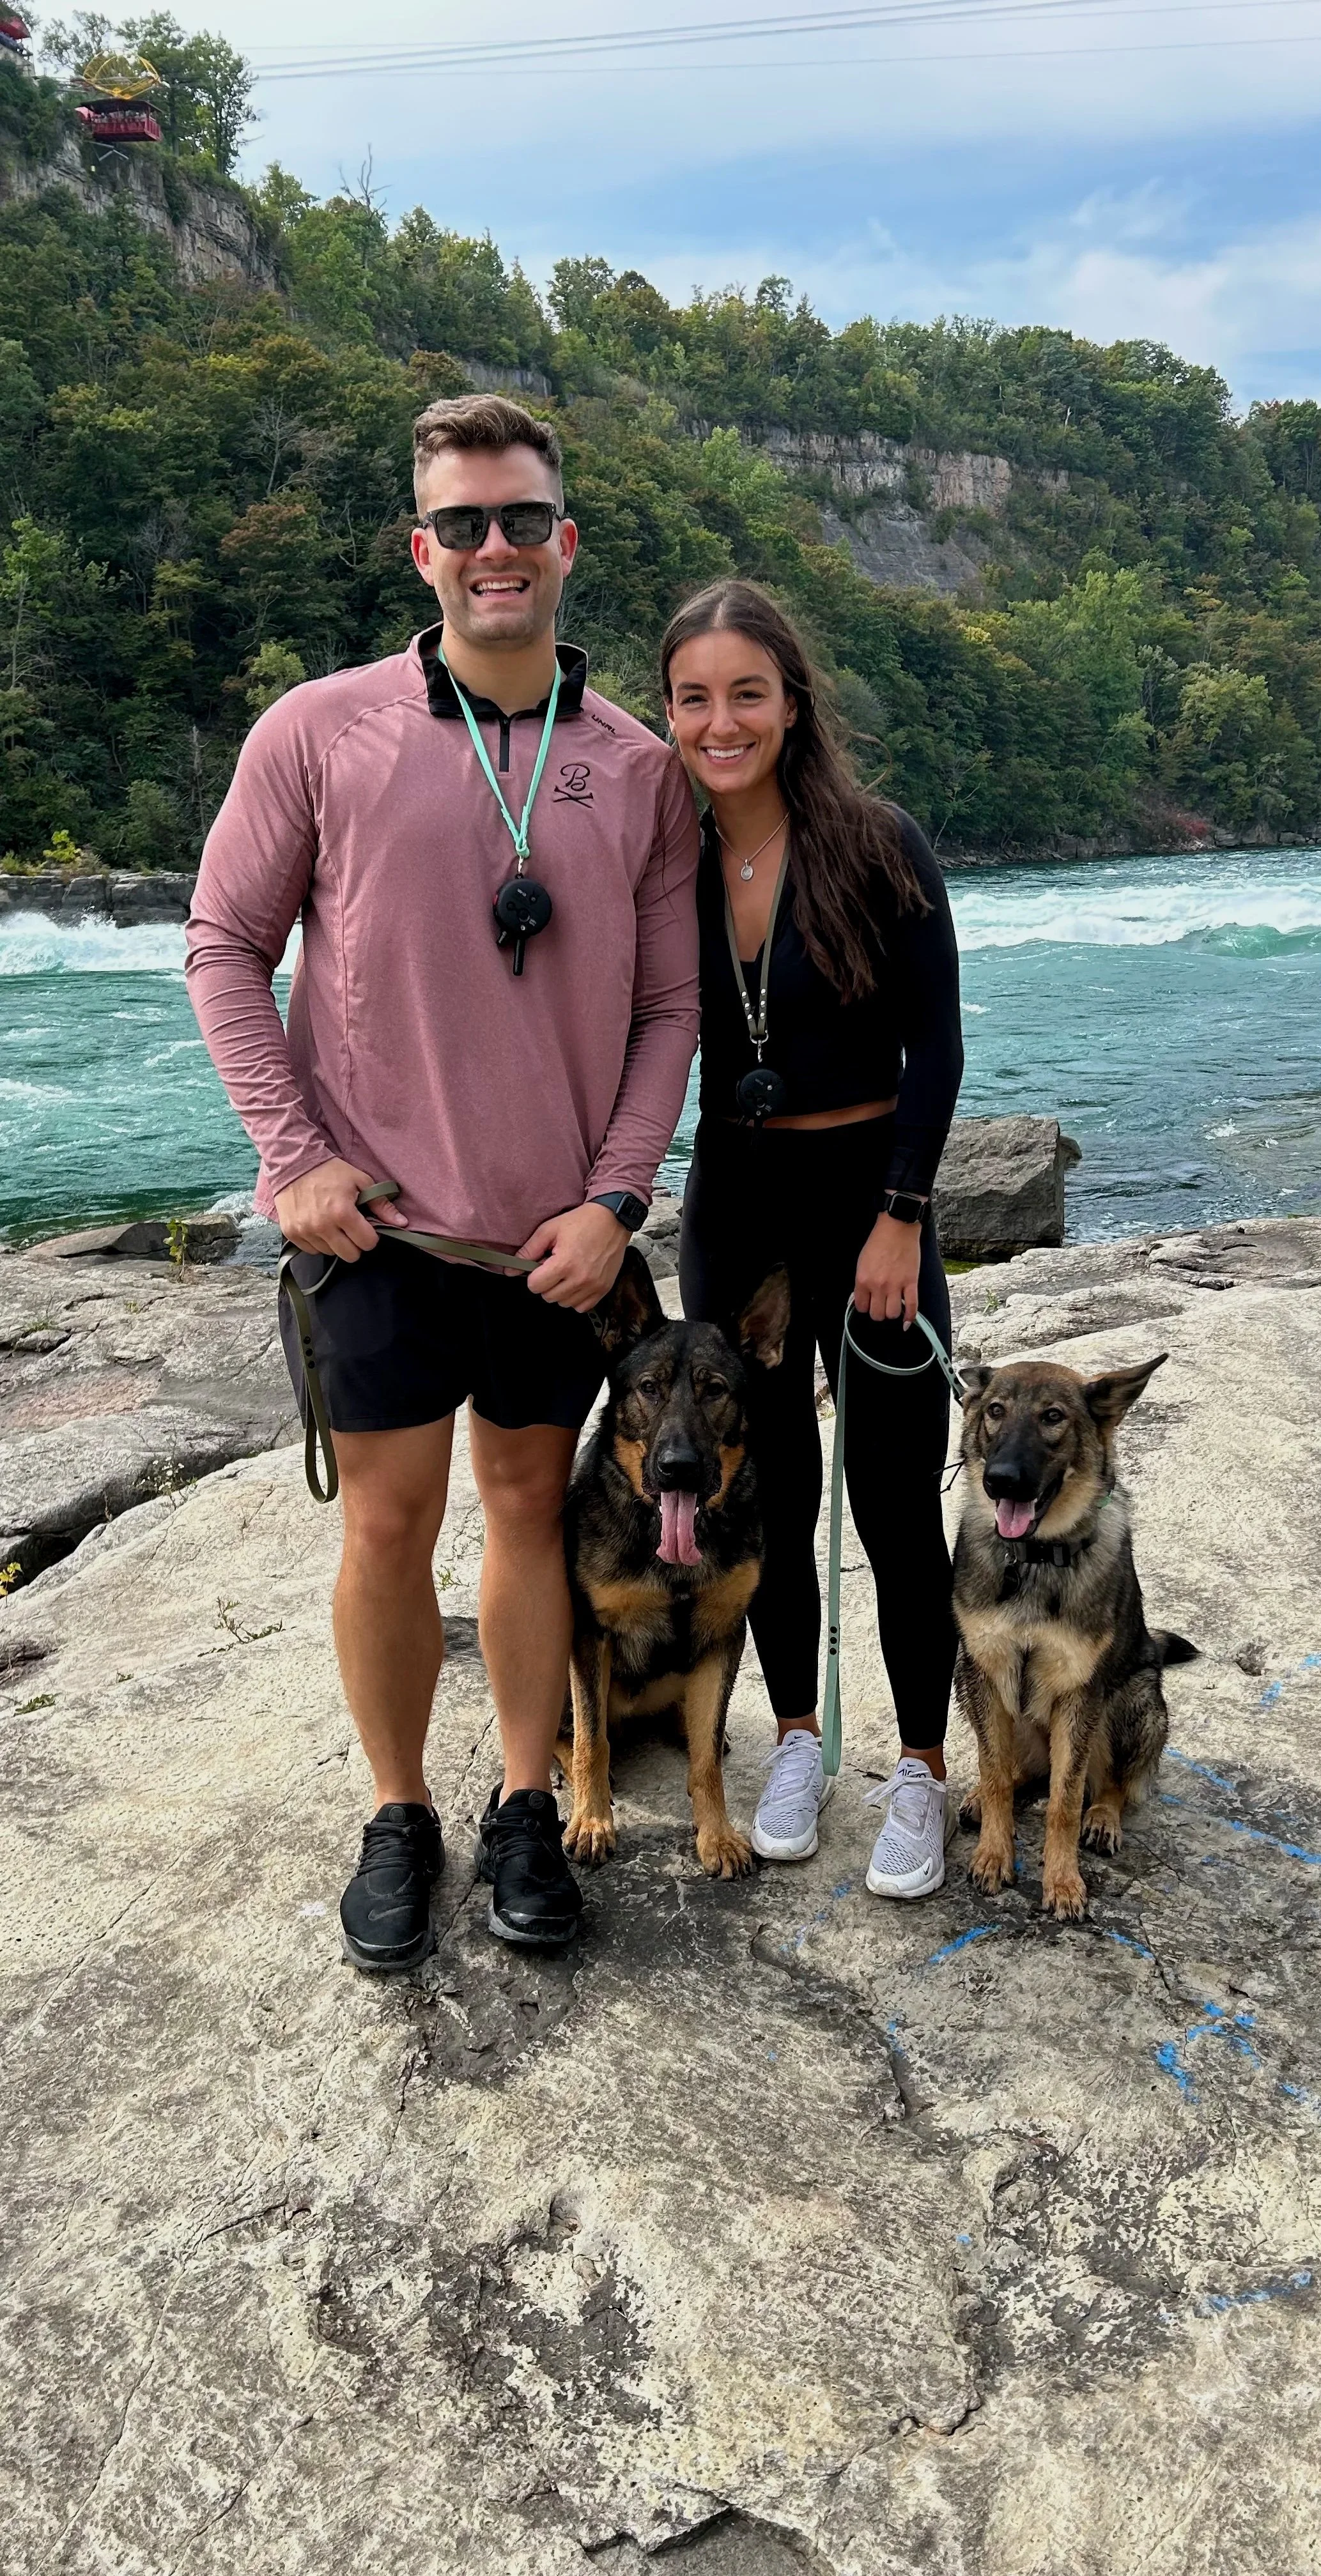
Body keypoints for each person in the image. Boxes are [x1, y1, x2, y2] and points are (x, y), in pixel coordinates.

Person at [187, 395, 699, 1969]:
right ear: (423, 549)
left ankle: (529, 1805)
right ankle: (401, 1813)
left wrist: (618, 1203)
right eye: (464, 524)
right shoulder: (317, 730)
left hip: (557, 1245)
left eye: (522, 520)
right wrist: (293, 1160)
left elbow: (671, 1008)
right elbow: (222, 945)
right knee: (390, 1528)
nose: (496, 549)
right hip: (382, 1231)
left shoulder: (639, 768)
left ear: (566, 542)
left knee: (532, 1513)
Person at [663, 580, 965, 1899]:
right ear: (667, 711)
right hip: (735, 1200)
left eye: (746, 694)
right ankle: (796, 1740)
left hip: (868, 1199)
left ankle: (916, 1766)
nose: (720, 722)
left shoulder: (878, 842)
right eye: (692, 698)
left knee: (897, 1498)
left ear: (792, 703)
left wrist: (902, 1215)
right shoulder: (661, 859)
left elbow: (939, 1048)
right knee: (765, 1495)